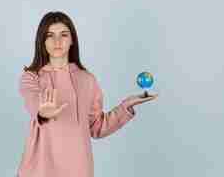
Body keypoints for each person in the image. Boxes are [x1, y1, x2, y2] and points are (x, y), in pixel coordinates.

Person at [16, 11, 158, 177]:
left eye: (63, 35)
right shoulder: (31, 77)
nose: (57, 41)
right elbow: (31, 99)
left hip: (78, 170)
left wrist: (126, 106)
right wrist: (42, 112)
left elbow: (97, 127)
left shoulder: (87, 80)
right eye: (50, 35)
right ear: (42, 41)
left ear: (72, 40)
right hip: (39, 170)